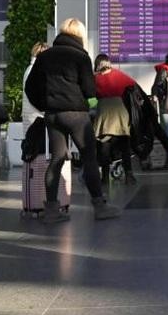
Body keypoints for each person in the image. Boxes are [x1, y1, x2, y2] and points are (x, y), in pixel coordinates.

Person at [25, 18, 121, 223]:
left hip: (53, 115)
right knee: (89, 158)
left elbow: (31, 87)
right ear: (80, 35)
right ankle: (99, 206)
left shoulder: (45, 56)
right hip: (76, 115)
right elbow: (89, 90)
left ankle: (51, 210)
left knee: (56, 159)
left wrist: (45, 105)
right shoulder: (81, 57)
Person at [92, 53, 137, 185]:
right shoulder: (119, 74)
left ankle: (105, 177)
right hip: (120, 111)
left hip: (104, 112)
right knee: (125, 146)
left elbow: (89, 92)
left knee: (104, 146)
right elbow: (132, 85)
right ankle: (129, 175)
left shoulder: (95, 79)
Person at [22, 42, 48, 135]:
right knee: (37, 146)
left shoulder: (31, 69)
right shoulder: (35, 71)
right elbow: (36, 95)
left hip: (33, 117)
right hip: (36, 117)